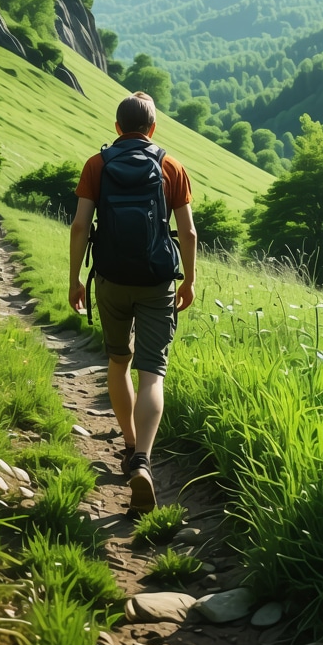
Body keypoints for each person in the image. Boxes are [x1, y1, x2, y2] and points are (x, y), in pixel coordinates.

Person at [69, 91, 197, 513]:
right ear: (153, 128)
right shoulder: (170, 166)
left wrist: (75, 281)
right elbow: (189, 234)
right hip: (157, 280)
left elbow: (80, 226)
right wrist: (189, 280)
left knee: (118, 362)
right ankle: (143, 457)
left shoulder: (97, 164)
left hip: (109, 279)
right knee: (152, 374)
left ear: (118, 126)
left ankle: (128, 445)